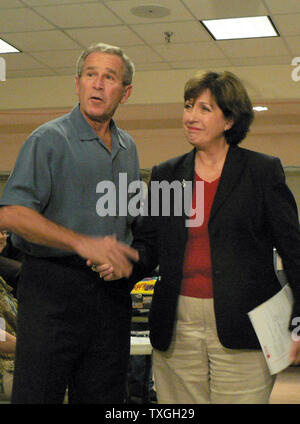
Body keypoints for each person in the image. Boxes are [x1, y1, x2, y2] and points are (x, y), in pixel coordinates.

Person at [99, 71, 300, 403]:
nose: (191, 116)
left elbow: (294, 253)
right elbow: (150, 244)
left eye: (205, 109)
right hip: (176, 322)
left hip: (244, 321)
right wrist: (125, 261)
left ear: (229, 119)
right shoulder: (167, 174)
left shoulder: (261, 172)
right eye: (188, 106)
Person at [0, 42, 140, 404]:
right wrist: (82, 242)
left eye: (108, 78)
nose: (97, 84)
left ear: (125, 93)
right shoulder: (48, 139)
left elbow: (129, 220)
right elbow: (12, 213)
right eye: (90, 75)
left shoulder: (129, 148)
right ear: (77, 83)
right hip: (52, 291)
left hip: (110, 298)